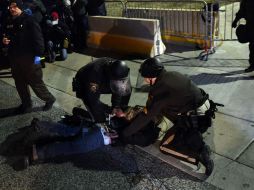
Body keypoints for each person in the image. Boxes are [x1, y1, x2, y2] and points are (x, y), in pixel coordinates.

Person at [121, 57, 219, 176]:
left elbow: (146, 116)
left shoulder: (159, 90)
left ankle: (200, 155)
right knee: (161, 109)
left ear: (152, 76)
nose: (145, 81)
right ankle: (191, 137)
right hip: (205, 110)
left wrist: (125, 133)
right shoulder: (171, 75)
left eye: (146, 77)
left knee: (164, 147)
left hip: (196, 120)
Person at [1, 0, 56, 113]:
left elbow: (39, 41)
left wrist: (38, 59)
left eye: (14, 7)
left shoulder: (29, 20)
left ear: (20, 7)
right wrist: (4, 41)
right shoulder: (9, 21)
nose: (11, 9)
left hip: (30, 59)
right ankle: (26, 104)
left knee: (35, 82)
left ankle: (49, 99)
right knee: (19, 83)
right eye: (10, 7)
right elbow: (6, 36)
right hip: (15, 58)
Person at [72, 57, 132, 122]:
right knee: (99, 118)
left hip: (103, 80)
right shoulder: (94, 76)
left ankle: (116, 114)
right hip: (83, 83)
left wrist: (116, 106)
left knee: (123, 90)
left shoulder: (118, 67)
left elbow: (120, 88)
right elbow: (93, 100)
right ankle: (80, 113)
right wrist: (110, 110)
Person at [232, 0, 254, 72]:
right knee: (252, 46)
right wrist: (235, 20)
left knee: (253, 46)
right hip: (251, 25)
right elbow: (242, 11)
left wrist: (235, 21)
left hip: (251, 25)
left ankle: (252, 65)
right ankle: (252, 65)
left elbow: (242, 11)